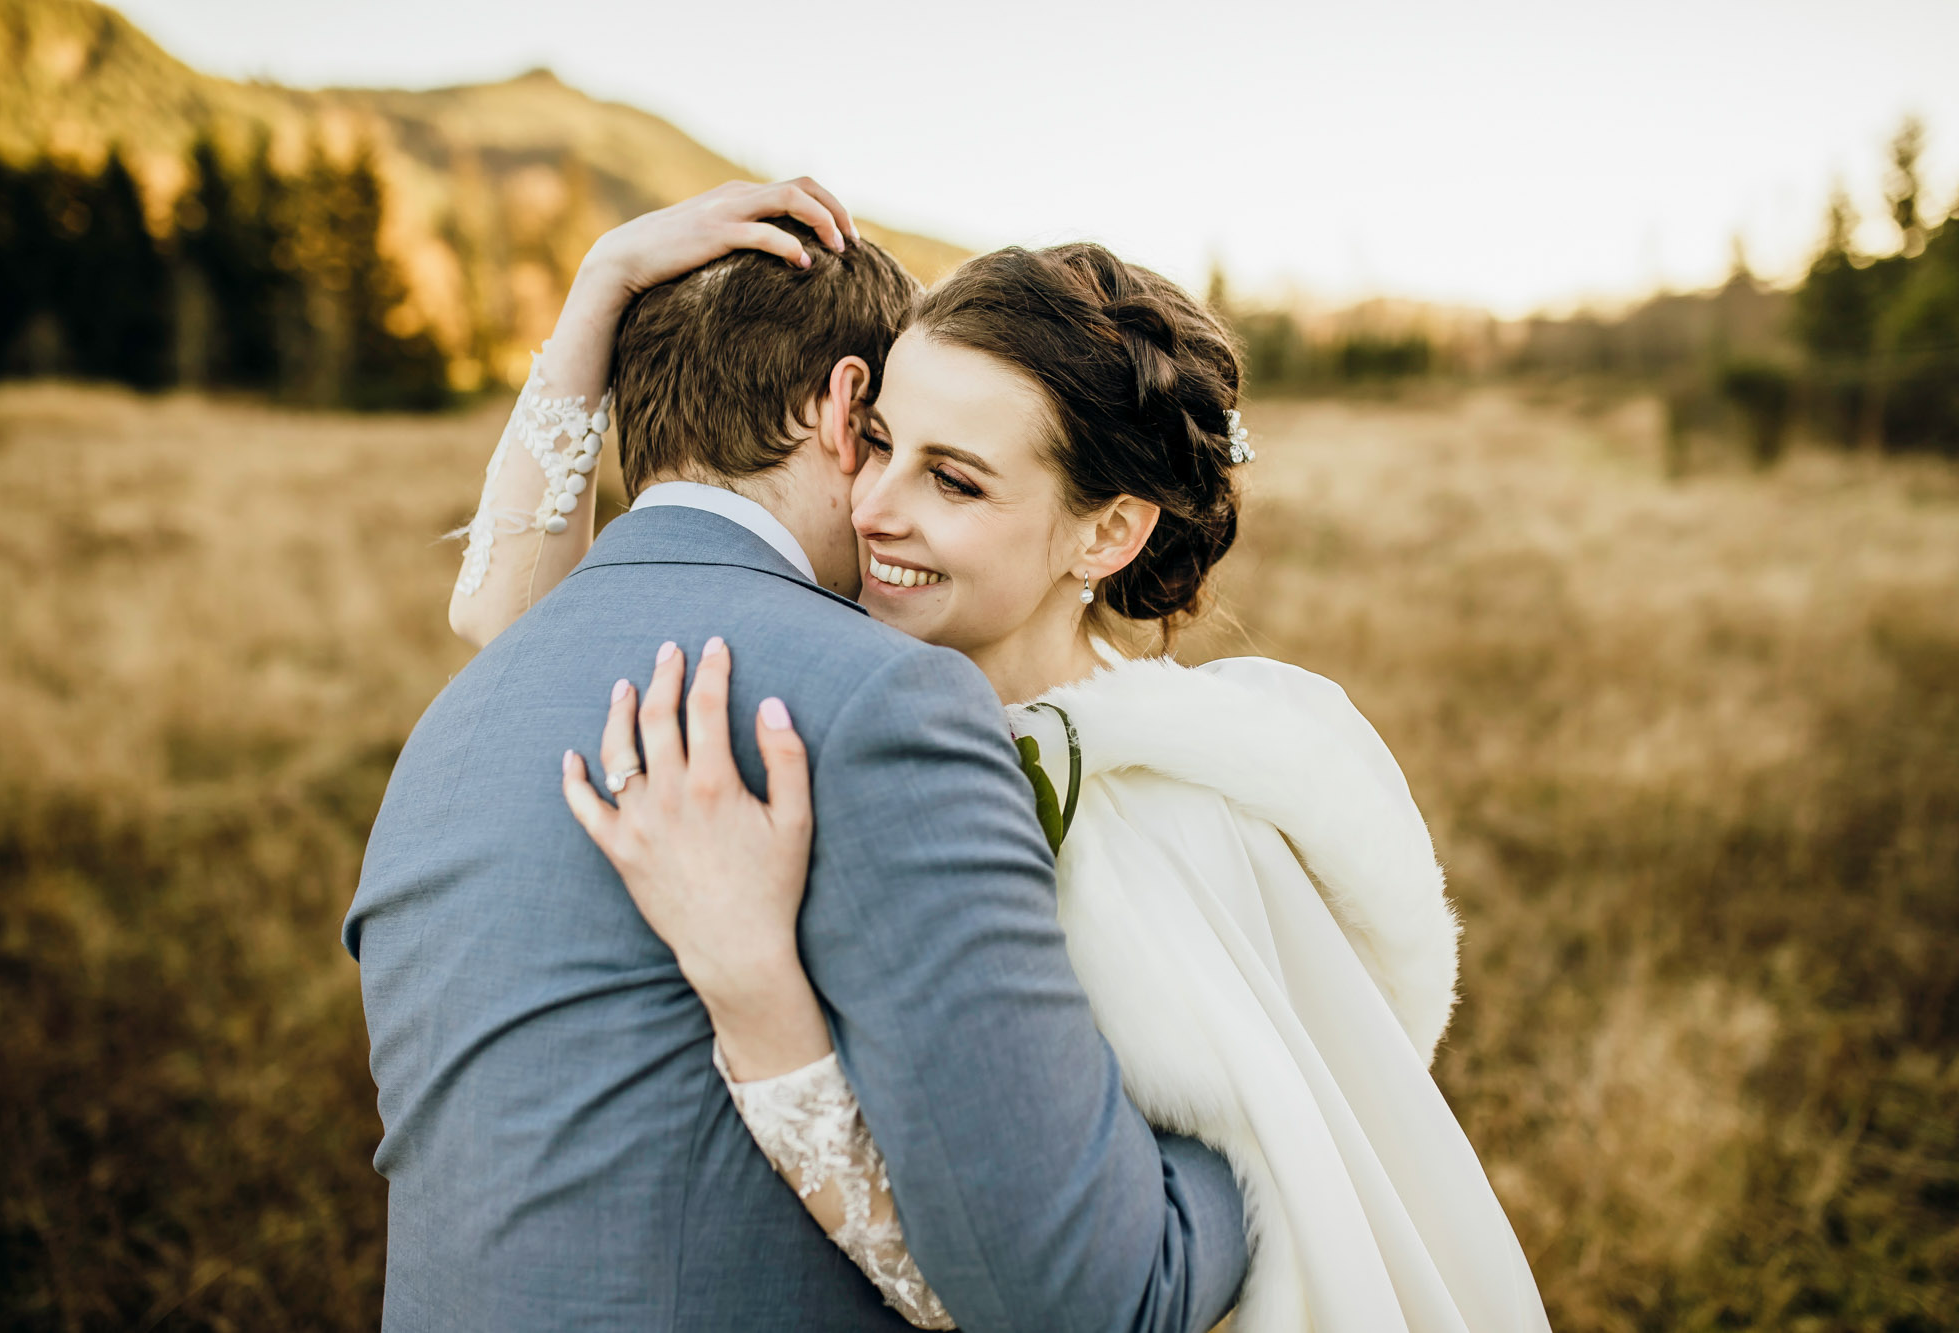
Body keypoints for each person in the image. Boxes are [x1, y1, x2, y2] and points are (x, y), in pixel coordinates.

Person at [463, 181, 1556, 1331]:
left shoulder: (1159, 819)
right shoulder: (852, 696)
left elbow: (1030, 1285)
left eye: (954, 478)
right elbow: (516, 631)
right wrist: (601, 291)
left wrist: (758, 998)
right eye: (878, 441)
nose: (872, 506)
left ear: (1107, 531)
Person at [345, 179, 1251, 1333]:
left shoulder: (464, 719)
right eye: (886, 443)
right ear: (846, 408)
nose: (886, 495)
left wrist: (599, 293)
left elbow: (495, 602)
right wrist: (1280, 1140)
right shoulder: (880, 703)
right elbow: (1100, 1299)